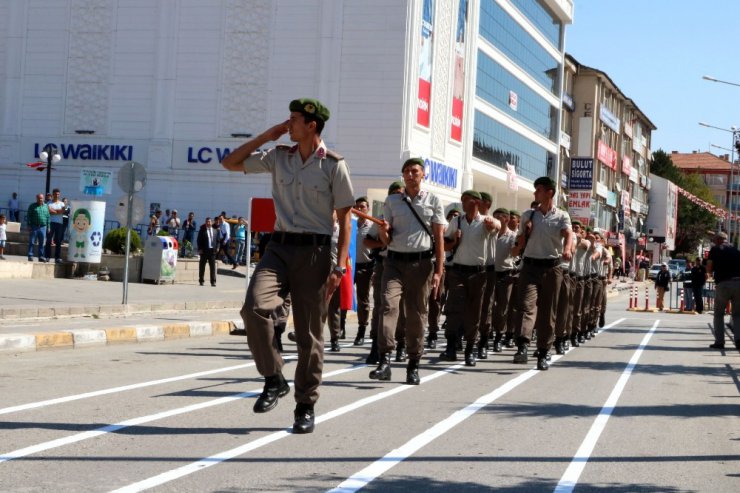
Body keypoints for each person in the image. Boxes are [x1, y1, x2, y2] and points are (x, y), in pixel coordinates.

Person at [221, 97, 354, 434]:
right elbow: (230, 163)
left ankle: (305, 405)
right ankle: (274, 377)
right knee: (253, 309)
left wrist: (339, 267)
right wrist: (268, 135)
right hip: (278, 247)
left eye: (293, 119)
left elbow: (345, 218)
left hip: (315, 253)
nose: (288, 123)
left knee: (309, 335)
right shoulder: (279, 156)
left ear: (312, 125)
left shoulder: (334, 165)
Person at [370, 157, 445, 385]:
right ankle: (385, 360)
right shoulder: (392, 201)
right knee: (388, 307)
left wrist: (438, 272)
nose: (410, 175)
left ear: (423, 174)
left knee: (416, 314)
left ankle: (413, 363)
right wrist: (384, 231)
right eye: (406, 171)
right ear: (402, 176)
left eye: (414, 171)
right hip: (393, 262)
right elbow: (386, 239)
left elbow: (439, 238)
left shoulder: (433, 200)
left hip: (421, 265)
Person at [511, 177, 572, 371]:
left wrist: (568, 249)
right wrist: (525, 232)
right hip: (529, 267)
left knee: (548, 312)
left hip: (552, 269)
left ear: (549, 193)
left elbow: (568, 234)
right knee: (526, 305)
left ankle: (544, 352)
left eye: (538, 190)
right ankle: (522, 345)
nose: (535, 194)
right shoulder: (528, 215)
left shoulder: (562, 216)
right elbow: (520, 243)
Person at [440, 190, 499, 366]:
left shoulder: (485, 222)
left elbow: (497, 226)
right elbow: (445, 245)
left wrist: (492, 225)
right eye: (463, 200)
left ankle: (470, 349)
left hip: (478, 274)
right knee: (454, 308)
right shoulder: (456, 221)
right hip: (457, 271)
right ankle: (451, 346)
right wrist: (454, 241)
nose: (463, 203)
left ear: (476, 202)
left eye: (466, 200)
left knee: (474, 311)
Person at [706, 232, 740, 351]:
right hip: (739, 283)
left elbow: (709, 266)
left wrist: (709, 274)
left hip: (723, 283)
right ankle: (739, 340)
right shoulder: (735, 250)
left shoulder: (715, 250)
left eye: (715, 239)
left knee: (719, 313)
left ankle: (720, 342)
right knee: (737, 314)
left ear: (718, 240)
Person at [352, 197, 374, 346]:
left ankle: (361, 330)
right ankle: (339, 328)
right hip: (351, 266)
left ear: (368, 209)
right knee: (342, 296)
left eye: (363, 207)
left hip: (366, 266)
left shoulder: (372, 226)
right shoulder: (351, 224)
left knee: (363, 299)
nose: (360, 210)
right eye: (357, 207)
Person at [27, 193, 50, 262]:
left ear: (43, 198)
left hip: (43, 227)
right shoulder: (32, 206)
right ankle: (30, 255)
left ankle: (41, 256)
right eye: (39, 198)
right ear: (36, 198)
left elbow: (48, 217)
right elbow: (29, 216)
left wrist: (48, 226)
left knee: (42, 243)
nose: (40, 199)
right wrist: (29, 225)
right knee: (32, 241)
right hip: (34, 226)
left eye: (42, 198)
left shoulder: (46, 206)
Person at [44, 188, 65, 263]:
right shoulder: (49, 203)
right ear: (53, 194)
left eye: (58, 194)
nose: (57, 195)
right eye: (55, 194)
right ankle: (47, 256)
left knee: (58, 241)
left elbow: (62, 211)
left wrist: (54, 211)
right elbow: (49, 211)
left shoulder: (62, 203)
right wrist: (58, 211)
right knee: (48, 240)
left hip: (59, 224)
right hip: (51, 223)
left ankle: (57, 257)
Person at [197, 218, 219, 287]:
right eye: (207, 222)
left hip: (212, 251)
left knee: (212, 268)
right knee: (202, 267)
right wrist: (200, 249)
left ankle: (213, 282)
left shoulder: (215, 231)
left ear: (212, 222)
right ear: (205, 223)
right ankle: (201, 281)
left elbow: (218, 241)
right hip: (204, 251)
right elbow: (198, 240)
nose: (208, 223)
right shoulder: (202, 231)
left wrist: (218, 247)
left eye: (209, 222)